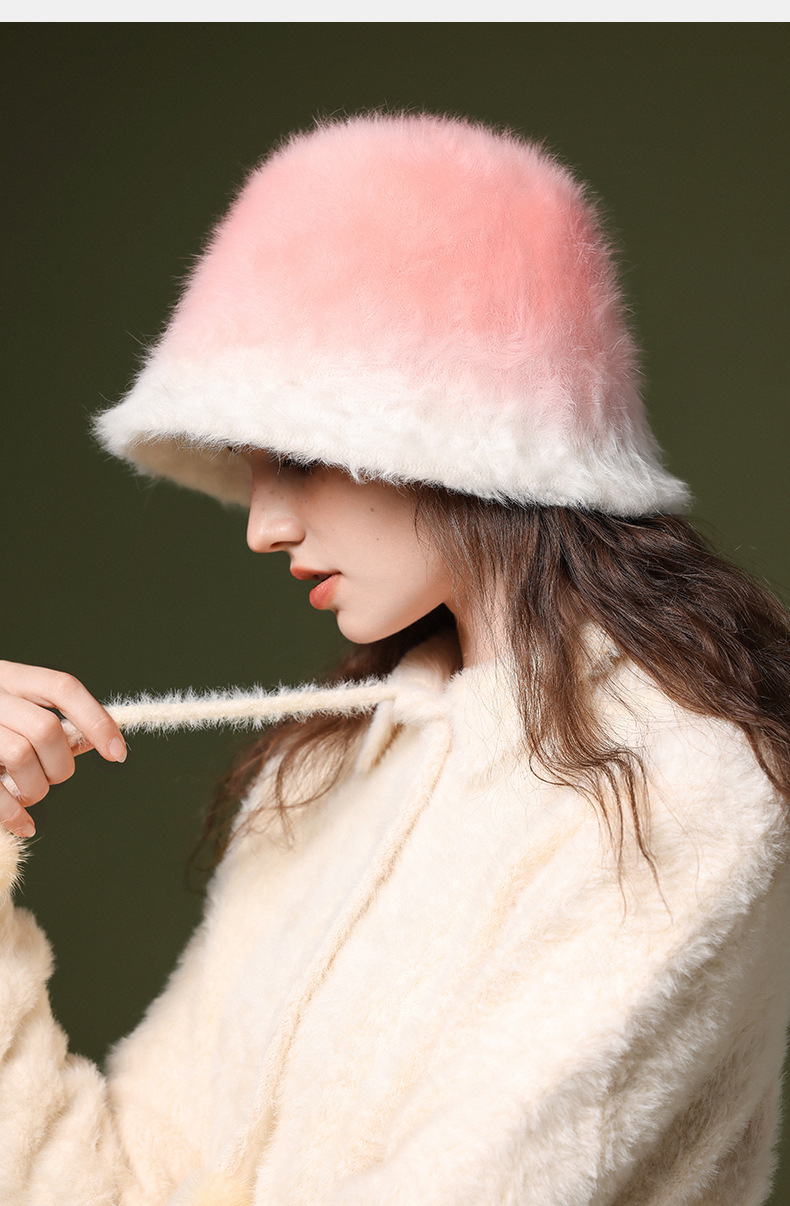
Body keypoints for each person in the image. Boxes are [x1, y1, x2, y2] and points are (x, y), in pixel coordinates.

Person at [0, 111, 788, 1206]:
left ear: (458, 434)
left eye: (299, 457)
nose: (261, 526)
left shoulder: (678, 793)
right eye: (249, 468)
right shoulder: (327, 767)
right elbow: (120, 1183)